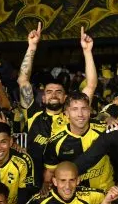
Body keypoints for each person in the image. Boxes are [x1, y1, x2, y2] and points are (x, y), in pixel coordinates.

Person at [17, 22, 98, 179]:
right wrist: (32, 47)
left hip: (66, 182)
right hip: (32, 179)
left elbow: (91, 85)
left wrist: (87, 51)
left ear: (65, 97)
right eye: (49, 92)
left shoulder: (73, 115)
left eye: (58, 92)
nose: (54, 95)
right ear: (44, 97)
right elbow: (23, 81)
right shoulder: (32, 114)